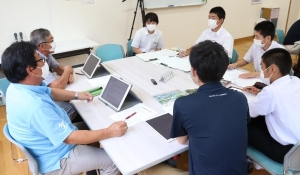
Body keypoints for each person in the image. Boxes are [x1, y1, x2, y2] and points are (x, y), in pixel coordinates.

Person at [1, 41, 127, 175]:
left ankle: (93, 166)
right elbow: (70, 138)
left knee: (93, 127)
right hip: (57, 159)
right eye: (40, 60)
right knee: (115, 160)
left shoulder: (17, 87)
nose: (44, 63)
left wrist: (78, 95)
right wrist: (110, 131)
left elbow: (51, 92)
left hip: (49, 145)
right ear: (30, 69)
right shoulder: (35, 106)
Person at [140, 41, 249, 175]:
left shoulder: (184, 104)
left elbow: (182, 140)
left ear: (193, 71)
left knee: (145, 167)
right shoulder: (240, 98)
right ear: (224, 69)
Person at [243, 48, 300, 163]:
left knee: (241, 125)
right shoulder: (296, 80)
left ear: (273, 69)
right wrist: (261, 93)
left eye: (263, 68)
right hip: (297, 145)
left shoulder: (271, 92)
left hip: (287, 153)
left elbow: (248, 112)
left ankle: (248, 160)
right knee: (262, 116)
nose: (262, 72)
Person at [30, 28, 77, 120]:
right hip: (39, 99)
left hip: (44, 93)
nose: (53, 43)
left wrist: (68, 71)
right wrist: (67, 71)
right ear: (42, 46)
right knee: (72, 108)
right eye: (51, 41)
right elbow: (57, 86)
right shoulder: (38, 61)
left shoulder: (46, 54)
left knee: (70, 98)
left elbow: (59, 69)